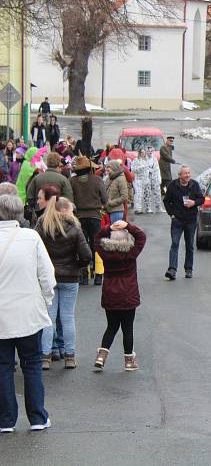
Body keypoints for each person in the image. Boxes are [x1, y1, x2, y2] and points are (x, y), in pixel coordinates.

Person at [0, 193, 56, 432]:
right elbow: (47, 275)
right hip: (27, 313)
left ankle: (5, 420)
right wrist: (46, 300)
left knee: (3, 367)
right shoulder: (30, 237)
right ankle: (37, 417)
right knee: (32, 364)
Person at [35, 197, 91, 370]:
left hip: (49, 277)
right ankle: (70, 356)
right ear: (67, 209)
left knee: (48, 317)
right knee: (67, 317)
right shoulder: (74, 228)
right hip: (70, 277)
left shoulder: (43, 226)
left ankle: (45, 356)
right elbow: (87, 255)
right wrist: (77, 266)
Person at [93, 220, 146, 372]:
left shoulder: (105, 252)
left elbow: (97, 238)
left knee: (111, 326)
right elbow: (141, 236)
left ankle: (101, 356)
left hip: (110, 294)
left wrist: (108, 228)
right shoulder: (131, 252)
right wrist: (128, 226)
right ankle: (129, 361)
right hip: (128, 295)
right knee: (128, 328)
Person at [70, 156, 107, 285]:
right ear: (90, 168)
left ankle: (84, 276)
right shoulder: (97, 180)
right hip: (95, 216)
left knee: (82, 245)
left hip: (79, 217)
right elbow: (105, 198)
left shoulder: (72, 181)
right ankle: (98, 275)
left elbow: (70, 200)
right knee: (96, 245)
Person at [163, 165, 204, 280]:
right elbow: (166, 201)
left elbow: (202, 199)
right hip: (177, 220)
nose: (188, 175)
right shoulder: (172, 185)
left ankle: (189, 269)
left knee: (189, 245)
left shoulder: (194, 185)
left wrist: (194, 203)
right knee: (175, 244)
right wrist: (171, 214)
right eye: (185, 173)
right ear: (180, 175)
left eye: (189, 173)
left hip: (191, 219)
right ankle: (172, 269)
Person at [105, 159, 129, 224]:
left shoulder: (121, 179)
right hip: (108, 210)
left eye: (108, 167)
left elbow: (124, 196)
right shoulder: (109, 178)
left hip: (116, 211)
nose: (106, 169)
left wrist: (111, 203)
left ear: (113, 167)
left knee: (115, 232)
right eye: (106, 167)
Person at [145, 147, 163, 212]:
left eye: (151, 151)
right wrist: (148, 170)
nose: (150, 152)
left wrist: (159, 177)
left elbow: (158, 169)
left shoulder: (154, 159)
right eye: (149, 151)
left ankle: (158, 208)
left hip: (155, 177)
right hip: (147, 178)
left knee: (157, 192)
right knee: (147, 193)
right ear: (146, 152)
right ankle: (148, 208)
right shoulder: (144, 159)